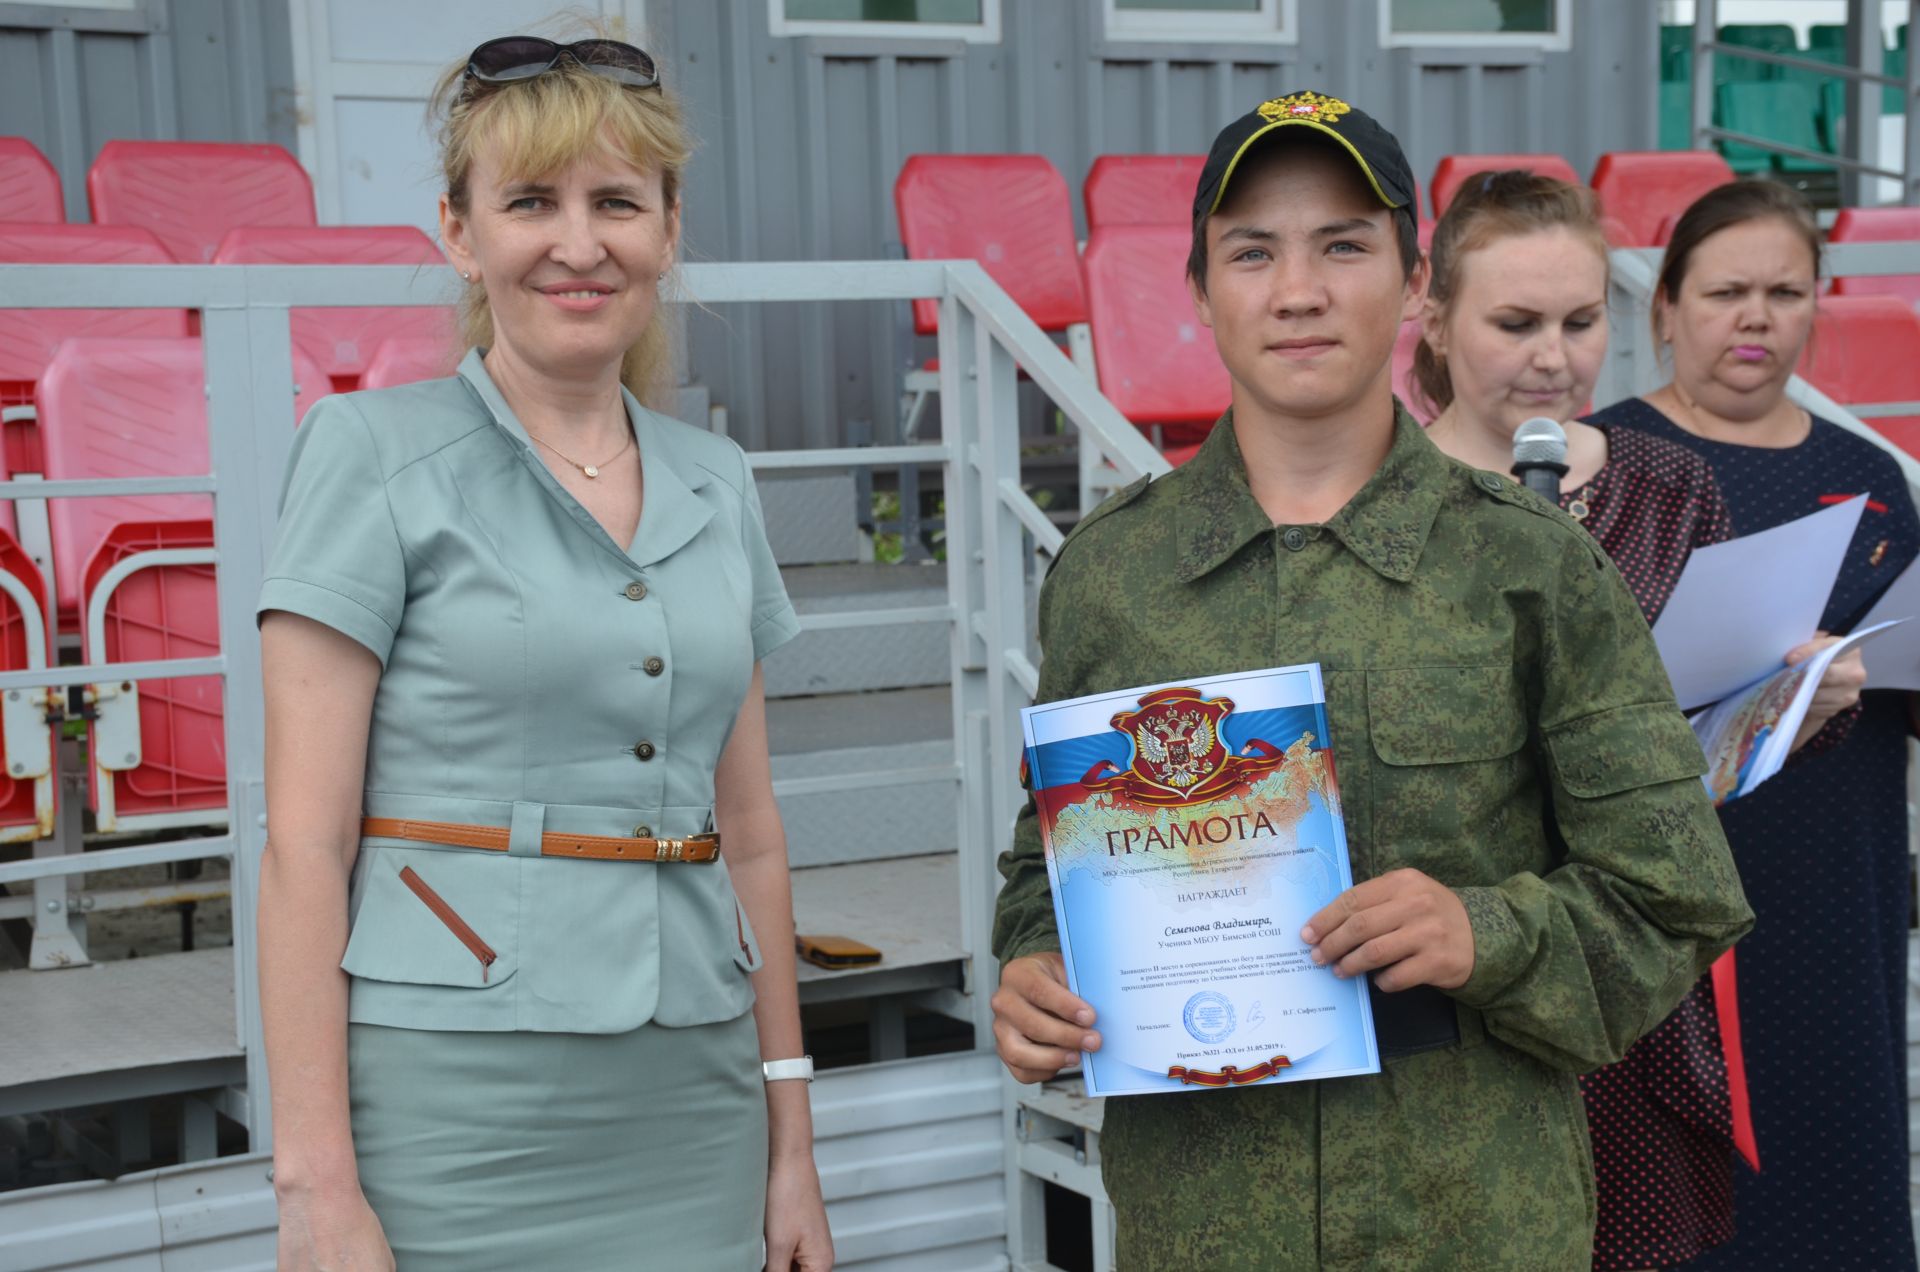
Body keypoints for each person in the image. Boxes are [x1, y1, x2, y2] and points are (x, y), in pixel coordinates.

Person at [988, 90, 1753, 1270]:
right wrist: (1035, 972)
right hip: (1202, 1224)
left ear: (1412, 287)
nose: (1299, 290)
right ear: (1201, 291)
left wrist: (1483, 931)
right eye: (1253, 251)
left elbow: (1675, 898)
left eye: (1344, 245)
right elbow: (1048, 860)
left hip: (1471, 1219)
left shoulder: (1529, 563)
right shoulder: (1111, 577)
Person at [255, 34, 833, 1271]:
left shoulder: (716, 479)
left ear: (668, 229)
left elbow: (756, 834)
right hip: (452, 1108)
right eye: (531, 203)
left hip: (697, 1091)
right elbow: (306, 846)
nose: (580, 244)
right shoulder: (366, 452)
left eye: (617, 202)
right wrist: (313, 1187)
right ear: (462, 234)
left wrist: (794, 1144)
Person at [1415, 170, 1866, 1269]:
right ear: (1433, 321)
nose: (1553, 355)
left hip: (1632, 972)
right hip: (1461, 960)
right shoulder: (1387, 500)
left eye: (1579, 323)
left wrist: (1789, 703)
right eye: (1515, 323)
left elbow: (1699, 733)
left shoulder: (1670, 484)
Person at [1590, 179, 1920, 1272]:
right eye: (1726, 291)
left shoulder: (1867, 473)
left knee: (1831, 1167)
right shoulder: (1602, 463)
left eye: (1784, 292)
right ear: (1666, 310)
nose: (1756, 318)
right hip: (1670, 885)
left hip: (1837, 876)